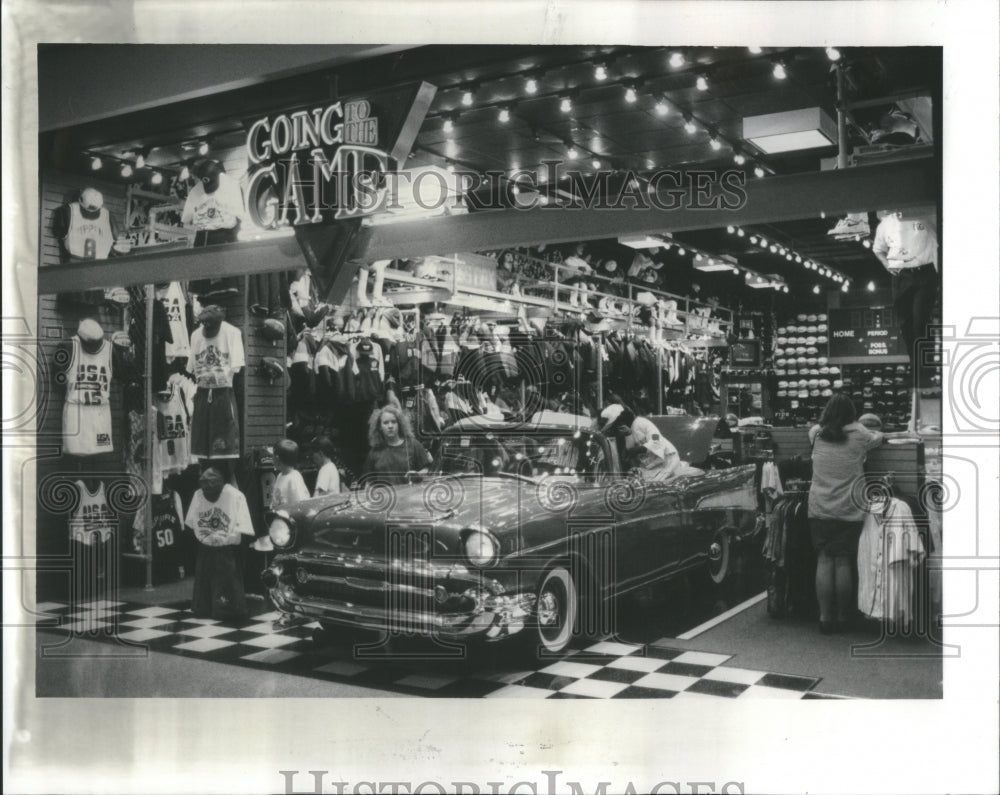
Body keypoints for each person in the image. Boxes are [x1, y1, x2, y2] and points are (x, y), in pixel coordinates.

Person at [807, 394, 885, 633]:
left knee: (823, 559)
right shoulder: (860, 435)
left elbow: (818, 429)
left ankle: (824, 618)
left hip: (820, 505)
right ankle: (842, 617)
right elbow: (878, 437)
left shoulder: (816, 434)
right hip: (850, 507)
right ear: (852, 414)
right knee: (843, 561)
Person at [184, 466, 254, 621]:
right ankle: (226, 610)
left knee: (205, 585)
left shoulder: (198, 494)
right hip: (226, 549)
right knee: (228, 588)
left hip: (205, 547)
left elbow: (190, 522)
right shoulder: (235, 495)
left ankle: (203, 607)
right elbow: (244, 527)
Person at [597, 403, 681, 482]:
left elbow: (656, 440)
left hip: (668, 461)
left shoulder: (642, 423)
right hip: (651, 467)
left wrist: (636, 450)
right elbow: (628, 455)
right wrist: (628, 435)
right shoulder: (625, 433)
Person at [361, 405, 433, 485]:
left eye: (394, 422)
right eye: (386, 423)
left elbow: (428, 470)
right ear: (380, 427)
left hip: (410, 495)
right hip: (386, 496)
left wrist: (418, 474)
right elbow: (368, 482)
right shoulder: (374, 452)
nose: (390, 426)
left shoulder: (413, 445)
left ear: (399, 424)